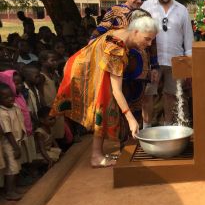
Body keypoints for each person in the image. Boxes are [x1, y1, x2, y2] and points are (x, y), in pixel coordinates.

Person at [51, 9, 158, 168]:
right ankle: (96, 156)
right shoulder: (116, 50)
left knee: (102, 105)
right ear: (135, 31)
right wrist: (130, 119)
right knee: (103, 105)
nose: (149, 44)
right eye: (147, 39)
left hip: (90, 67)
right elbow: (117, 90)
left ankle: (97, 153)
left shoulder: (123, 31)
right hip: (83, 71)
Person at [93, 0, 155, 130]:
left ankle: (138, 143)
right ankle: (124, 148)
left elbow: (153, 43)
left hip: (141, 72)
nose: (140, 1)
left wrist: (156, 65)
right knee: (120, 109)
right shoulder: (114, 12)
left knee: (139, 106)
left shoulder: (145, 15)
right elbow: (97, 36)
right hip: (119, 72)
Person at [141, 0, 193, 126]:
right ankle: (146, 128)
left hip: (175, 60)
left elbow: (188, 40)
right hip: (151, 61)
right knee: (148, 95)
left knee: (171, 95)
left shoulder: (182, 10)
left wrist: (189, 66)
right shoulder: (146, 7)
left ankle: (167, 127)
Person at [0, 82, 26, 201]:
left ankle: (13, 188)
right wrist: (15, 147)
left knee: (16, 166)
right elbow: (7, 132)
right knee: (12, 168)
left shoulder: (15, 106)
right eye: (6, 97)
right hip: (10, 144)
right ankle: (9, 191)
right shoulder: (2, 113)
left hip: (17, 141)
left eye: (11, 95)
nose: (10, 98)